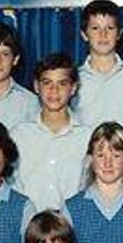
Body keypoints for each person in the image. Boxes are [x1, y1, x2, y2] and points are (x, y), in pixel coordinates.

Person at [12, 52, 92, 212]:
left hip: (73, 227)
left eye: (62, 83)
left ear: (73, 88)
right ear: (36, 86)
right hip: (28, 226)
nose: (54, 90)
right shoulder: (18, 135)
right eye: (47, 83)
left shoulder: (88, 136)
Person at [72, 0, 123, 131]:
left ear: (119, 34)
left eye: (110, 28)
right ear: (84, 34)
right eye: (95, 28)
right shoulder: (72, 80)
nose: (103, 34)